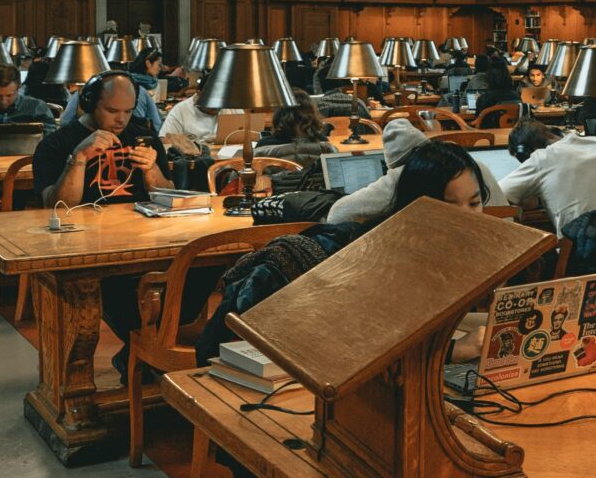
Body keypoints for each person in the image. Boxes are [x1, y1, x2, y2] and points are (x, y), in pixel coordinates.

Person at [189, 143, 490, 362]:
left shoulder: (445, 252)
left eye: (475, 203)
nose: (469, 218)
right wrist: (453, 351)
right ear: (418, 208)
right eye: (450, 206)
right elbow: (361, 344)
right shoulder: (376, 258)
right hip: (272, 366)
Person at [31, 74, 169, 365]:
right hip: (88, 246)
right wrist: (78, 159)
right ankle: (147, 352)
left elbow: (167, 193)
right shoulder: (57, 144)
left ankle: (147, 352)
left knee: (199, 271)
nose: (121, 119)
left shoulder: (142, 135)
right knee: (111, 292)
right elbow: (55, 206)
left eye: (128, 111)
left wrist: (151, 169)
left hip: (145, 238)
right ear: (89, 104)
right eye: (112, 110)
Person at [329, 119, 509, 224]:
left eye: (475, 202)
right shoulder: (472, 165)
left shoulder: (404, 177)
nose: (467, 216)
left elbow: (338, 213)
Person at [500, 120, 596, 233]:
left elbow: (496, 194)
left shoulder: (542, 158)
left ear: (525, 153)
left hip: (584, 259)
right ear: (555, 132)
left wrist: (528, 197)